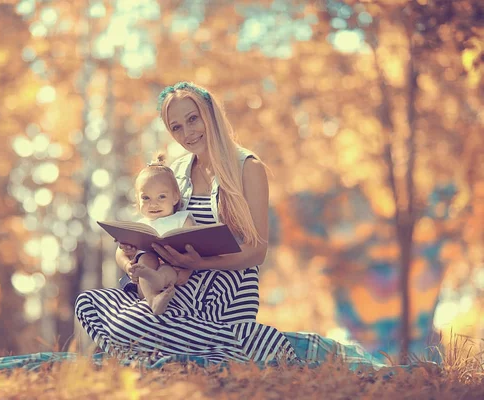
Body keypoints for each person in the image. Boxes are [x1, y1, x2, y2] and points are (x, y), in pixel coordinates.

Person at [75, 81, 390, 369]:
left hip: (224, 288)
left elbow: (257, 252)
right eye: (177, 127)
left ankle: (244, 343)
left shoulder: (247, 168)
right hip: (178, 282)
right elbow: (160, 228)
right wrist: (131, 259)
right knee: (88, 303)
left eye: (193, 119)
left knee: (134, 326)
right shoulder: (178, 170)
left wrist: (202, 261)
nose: (187, 132)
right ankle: (208, 344)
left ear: (210, 114)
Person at [127, 153, 196, 315]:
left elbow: (196, 246)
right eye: (146, 198)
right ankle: (153, 299)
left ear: (175, 197)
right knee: (144, 259)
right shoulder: (140, 225)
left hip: (172, 271)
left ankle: (156, 284)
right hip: (145, 280)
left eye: (161, 196)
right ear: (138, 202)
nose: (154, 203)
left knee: (168, 269)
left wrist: (188, 271)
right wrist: (128, 260)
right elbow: (123, 253)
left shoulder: (182, 219)